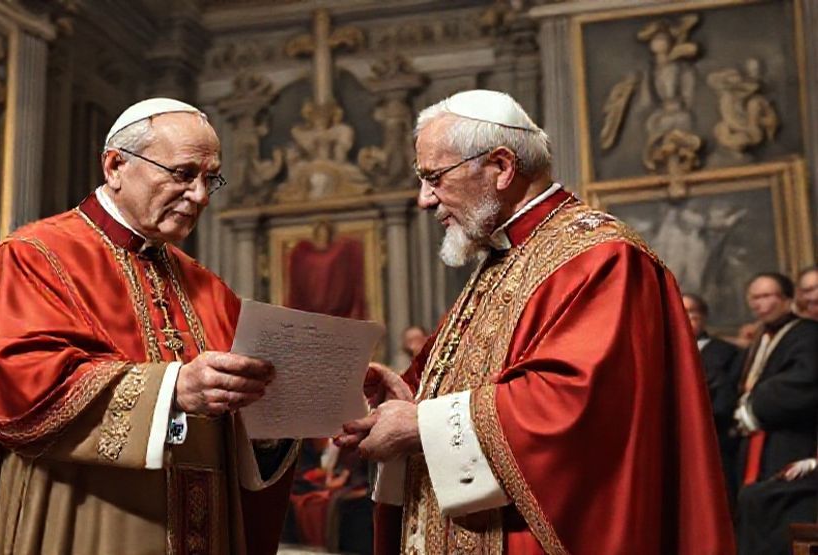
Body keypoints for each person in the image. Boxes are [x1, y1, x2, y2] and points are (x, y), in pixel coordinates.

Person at [337, 90, 733, 554]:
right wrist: (409, 394)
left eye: (434, 177)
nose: (425, 200)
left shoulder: (600, 259)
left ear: (501, 168)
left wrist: (422, 424)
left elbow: (575, 408)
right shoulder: (503, 258)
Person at [0, 97, 296, 555]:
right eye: (183, 174)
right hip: (87, 518)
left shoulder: (206, 286)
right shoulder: (34, 256)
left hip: (200, 522)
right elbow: (24, 384)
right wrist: (174, 389)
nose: (201, 195)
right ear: (115, 166)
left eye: (210, 179)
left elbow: (247, 409)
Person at [732, 272, 818, 554]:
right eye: (754, 298)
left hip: (792, 440)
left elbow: (805, 379)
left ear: (788, 299)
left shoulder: (806, 332)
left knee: (783, 521)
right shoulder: (761, 337)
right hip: (758, 444)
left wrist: (755, 406)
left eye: (768, 296)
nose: (761, 304)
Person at [682, 293, 741, 500]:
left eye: (690, 313)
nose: (683, 317)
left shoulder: (726, 352)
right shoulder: (656, 349)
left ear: (703, 316)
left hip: (713, 437)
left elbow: (727, 399)